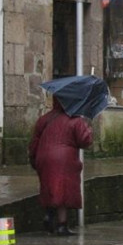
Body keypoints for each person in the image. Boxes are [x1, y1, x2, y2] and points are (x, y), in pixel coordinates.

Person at [28, 97, 93, 236]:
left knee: (49, 187)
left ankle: (48, 215)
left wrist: (33, 158)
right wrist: (88, 127)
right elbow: (85, 141)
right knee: (63, 191)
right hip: (64, 160)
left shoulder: (45, 118)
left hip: (43, 156)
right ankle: (61, 225)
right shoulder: (75, 120)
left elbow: (35, 140)